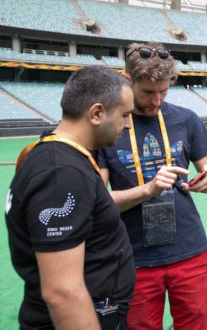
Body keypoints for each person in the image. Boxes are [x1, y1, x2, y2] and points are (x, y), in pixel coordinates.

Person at [97, 42, 207, 330]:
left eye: (164, 92)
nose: (156, 101)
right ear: (127, 81)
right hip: (134, 256)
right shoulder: (109, 125)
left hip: (189, 250)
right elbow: (99, 202)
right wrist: (147, 190)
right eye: (148, 93)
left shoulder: (186, 119)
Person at [6, 66, 136, 329]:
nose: (129, 125)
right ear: (97, 113)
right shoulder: (60, 172)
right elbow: (62, 293)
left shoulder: (61, 158)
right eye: (125, 115)